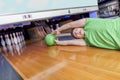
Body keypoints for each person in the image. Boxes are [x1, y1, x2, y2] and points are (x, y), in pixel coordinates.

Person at [52, 18, 120, 50]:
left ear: (79, 27)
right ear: (80, 38)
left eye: (76, 30)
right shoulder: (86, 41)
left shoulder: (87, 23)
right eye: (76, 35)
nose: (76, 32)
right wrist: (58, 42)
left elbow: (70, 25)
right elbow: (69, 42)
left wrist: (58, 29)